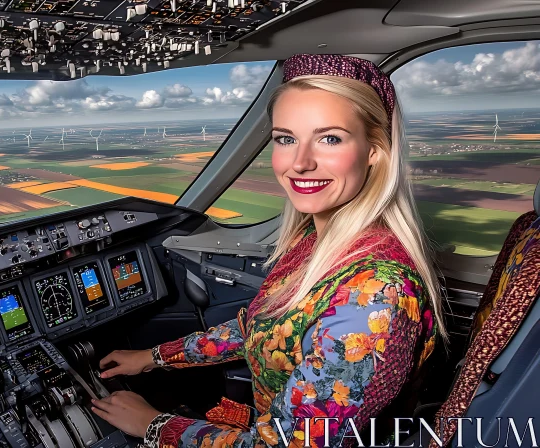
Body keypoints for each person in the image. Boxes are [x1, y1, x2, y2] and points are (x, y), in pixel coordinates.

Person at [89, 54, 445, 448]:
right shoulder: (317, 241)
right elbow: (263, 327)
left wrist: (154, 425)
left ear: (375, 150)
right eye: (286, 139)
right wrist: (152, 357)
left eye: (330, 138)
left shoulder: (373, 296)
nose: (300, 162)